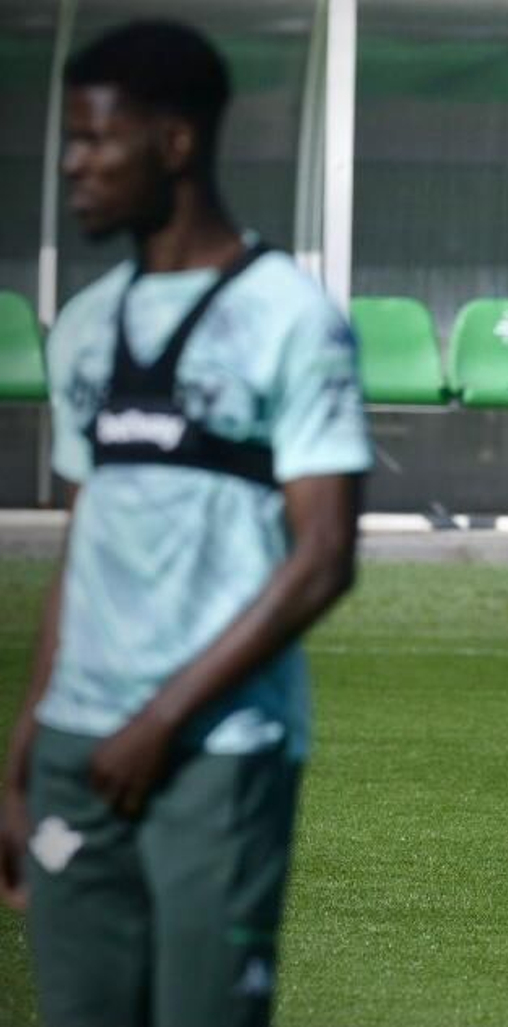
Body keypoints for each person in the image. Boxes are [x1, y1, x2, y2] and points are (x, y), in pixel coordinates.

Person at [0, 21, 371, 1025]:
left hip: (218, 749)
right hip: (80, 748)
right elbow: (84, 551)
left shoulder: (289, 317)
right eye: (69, 140)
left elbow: (325, 555)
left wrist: (160, 721)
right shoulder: (85, 326)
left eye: (95, 139)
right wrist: (26, 748)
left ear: (173, 143)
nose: (72, 165)